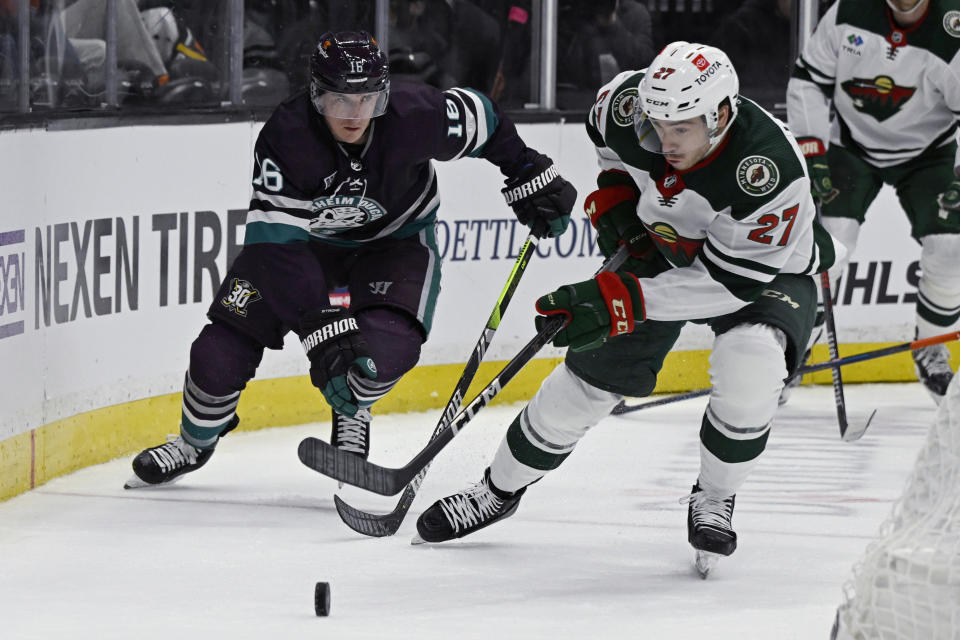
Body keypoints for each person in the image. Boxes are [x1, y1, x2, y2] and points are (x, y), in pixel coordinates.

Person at [413, 42, 844, 575]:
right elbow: (609, 144)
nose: (665, 141)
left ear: (722, 114)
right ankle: (496, 490)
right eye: (658, 124)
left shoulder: (768, 172)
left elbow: (726, 285)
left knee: (750, 364)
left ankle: (714, 497)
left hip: (761, 271)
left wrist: (619, 300)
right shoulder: (629, 106)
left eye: (681, 129)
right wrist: (616, 193)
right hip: (662, 248)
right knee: (582, 388)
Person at [124, 31, 576, 488]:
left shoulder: (417, 114)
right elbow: (276, 247)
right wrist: (323, 326)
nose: (356, 115)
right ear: (317, 95)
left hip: (395, 243)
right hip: (300, 251)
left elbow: (486, 119)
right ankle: (194, 442)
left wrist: (527, 169)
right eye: (340, 101)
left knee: (386, 351)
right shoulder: (286, 137)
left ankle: (352, 412)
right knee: (216, 356)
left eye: (368, 100)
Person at [786, 0, 960, 405]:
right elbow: (809, 78)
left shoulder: (952, 28)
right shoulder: (850, 10)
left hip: (929, 152)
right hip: (850, 145)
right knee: (829, 245)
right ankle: (790, 353)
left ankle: (930, 346)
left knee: (952, 249)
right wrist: (812, 150)